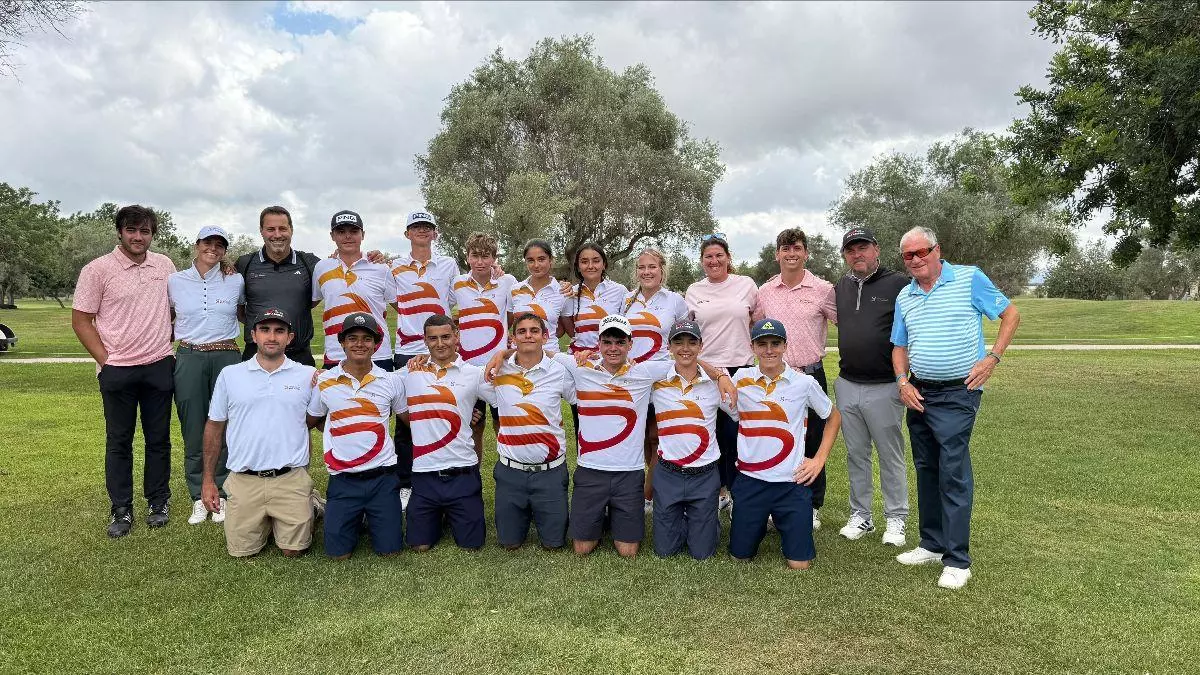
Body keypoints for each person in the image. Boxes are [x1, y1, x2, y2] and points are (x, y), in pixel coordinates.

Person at [891, 226, 1020, 590]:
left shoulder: (969, 278)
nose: (916, 260)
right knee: (926, 467)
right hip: (918, 392)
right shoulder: (905, 295)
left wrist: (993, 358)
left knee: (952, 469)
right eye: (908, 255)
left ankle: (958, 560)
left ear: (937, 250)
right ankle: (932, 543)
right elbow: (899, 346)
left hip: (958, 393)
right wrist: (902, 382)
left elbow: (1011, 314)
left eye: (922, 252)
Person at [72, 204, 178, 538]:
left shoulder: (165, 265)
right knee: (119, 441)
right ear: (120, 232)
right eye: (131, 230)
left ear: (152, 234)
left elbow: (174, 309)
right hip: (118, 369)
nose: (138, 237)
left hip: (159, 364)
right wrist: (106, 361)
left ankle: (158, 502)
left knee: (159, 439)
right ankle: (121, 508)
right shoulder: (97, 270)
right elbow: (81, 320)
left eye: (144, 231)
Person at [723, 319, 842, 570]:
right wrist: (720, 375)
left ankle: (782, 521)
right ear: (752, 347)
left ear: (785, 346)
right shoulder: (741, 379)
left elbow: (833, 417)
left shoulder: (804, 383)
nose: (769, 350)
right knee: (740, 558)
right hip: (751, 482)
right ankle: (758, 523)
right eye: (762, 344)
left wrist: (818, 460)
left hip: (791, 484)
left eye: (775, 343)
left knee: (799, 564)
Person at [202, 307, 318, 557]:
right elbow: (214, 426)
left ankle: (310, 502)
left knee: (293, 551)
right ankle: (276, 516)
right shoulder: (230, 375)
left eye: (279, 331)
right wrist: (208, 480)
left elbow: (317, 421)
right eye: (265, 330)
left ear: (290, 337)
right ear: (253, 335)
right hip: (245, 480)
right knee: (242, 552)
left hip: (290, 478)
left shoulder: (308, 375)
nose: (272, 337)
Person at [832, 226, 911, 546]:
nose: (857, 254)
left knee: (890, 455)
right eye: (851, 250)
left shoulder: (898, 283)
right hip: (847, 383)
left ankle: (896, 518)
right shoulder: (842, 286)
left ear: (876, 249)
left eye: (862, 248)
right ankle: (861, 515)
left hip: (885, 386)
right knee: (856, 454)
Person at [754, 227, 837, 530]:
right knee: (777, 439)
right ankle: (775, 501)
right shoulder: (765, 292)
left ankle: (811, 504)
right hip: (775, 379)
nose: (791, 254)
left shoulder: (823, 289)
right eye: (786, 249)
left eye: (797, 248)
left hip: (810, 375)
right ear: (777, 254)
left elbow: (847, 322)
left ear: (806, 253)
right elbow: (755, 327)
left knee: (812, 441)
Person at [307, 312, 407, 559]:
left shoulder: (391, 381)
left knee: (390, 551)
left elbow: (410, 420)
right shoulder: (325, 381)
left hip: (382, 477)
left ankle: (370, 515)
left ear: (376, 344)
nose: (359, 344)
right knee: (337, 554)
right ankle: (340, 511)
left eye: (366, 339)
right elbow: (311, 419)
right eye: (352, 338)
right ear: (342, 342)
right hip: (343, 479)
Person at [478, 312, 574, 550]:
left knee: (554, 545)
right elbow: (460, 385)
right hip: (511, 473)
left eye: (534, 331)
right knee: (509, 543)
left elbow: (583, 398)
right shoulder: (497, 371)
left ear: (545, 336)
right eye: (522, 331)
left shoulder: (560, 371)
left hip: (551, 472)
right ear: (513, 338)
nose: (528, 335)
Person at [168, 225, 244, 526]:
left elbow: (243, 312)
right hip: (189, 354)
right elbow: (167, 317)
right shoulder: (175, 280)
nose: (212, 249)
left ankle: (222, 493)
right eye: (207, 243)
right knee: (193, 426)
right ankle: (199, 496)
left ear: (224, 251)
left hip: (226, 354)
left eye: (219, 245)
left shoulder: (235, 279)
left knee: (224, 425)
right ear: (196, 245)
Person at [391, 210, 461, 508]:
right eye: (416, 227)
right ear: (407, 233)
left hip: (441, 347)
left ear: (435, 233)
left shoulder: (448, 264)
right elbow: (393, 301)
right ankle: (406, 483)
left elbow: (455, 298)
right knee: (406, 419)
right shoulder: (394, 266)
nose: (422, 231)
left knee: (440, 410)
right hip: (407, 350)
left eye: (427, 227)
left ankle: (442, 477)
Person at [400, 315, 487, 551]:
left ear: (457, 337)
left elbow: (507, 395)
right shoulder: (410, 372)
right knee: (419, 546)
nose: (440, 344)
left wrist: (503, 354)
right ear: (425, 340)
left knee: (471, 546)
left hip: (463, 472)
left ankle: (452, 512)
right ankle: (437, 513)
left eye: (446, 337)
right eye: (433, 338)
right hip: (424, 474)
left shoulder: (474, 373)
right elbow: (376, 380)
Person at [685, 233, 759, 513]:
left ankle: (739, 491)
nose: (714, 261)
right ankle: (717, 492)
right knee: (710, 433)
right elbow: (688, 332)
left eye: (719, 255)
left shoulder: (746, 285)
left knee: (737, 434)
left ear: (728, 258)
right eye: (708, 256)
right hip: (705, 370)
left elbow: (758, 322)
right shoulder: (694, 291)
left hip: (740, 368)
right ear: (702, 261)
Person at [651, 320, 727, 560]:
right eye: (679, 342)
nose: (685, 348)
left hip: (704, 475)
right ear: (669, 346)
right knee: (665, 551)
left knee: (702, 553)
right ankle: (687, 518)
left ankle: (703, 519)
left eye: (692, 342)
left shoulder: (715, 385)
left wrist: (721, 376)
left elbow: (741, 412)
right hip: (668, 474)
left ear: (701, 346)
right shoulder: (655, 381)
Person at [622, 248, 689, 511]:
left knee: (657, 436)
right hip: (632, 379)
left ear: (662, 270)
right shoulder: (627, 300)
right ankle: (647, 490)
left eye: (652, 267)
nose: (646, 272)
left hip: (662, 378)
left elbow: (683, 338)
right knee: (638, 438)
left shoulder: (675, 300)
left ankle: (648, 495)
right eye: (642, 267)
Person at [451, 232, 516, 460]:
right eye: (475, 255)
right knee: (473, 427)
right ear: (467, 257)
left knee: (503, 425)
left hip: (499, 367)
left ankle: (508, 470)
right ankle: (474, 477)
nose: (480, 262)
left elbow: (512, 316)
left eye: (486, 256)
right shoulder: (457, 283)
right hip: (468, 369)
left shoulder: (507, 281)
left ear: (494, 258)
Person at [312, 210, 397, 371]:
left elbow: (401, 307)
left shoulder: (381, 268)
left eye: (353, 231)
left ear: (363, 234)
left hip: (377, 354)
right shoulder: (321, 268)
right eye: (341, 232)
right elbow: (311, 302)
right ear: (332, 236)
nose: (347, 236)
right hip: (336, 355)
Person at [236, 206, 321, 366]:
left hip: (299, 355)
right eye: (270, 229)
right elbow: (238, 308)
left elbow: (319, 295)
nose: (277, 235)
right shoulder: (244, 263)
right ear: (261, 231)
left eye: (282, 228)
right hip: (255, 354)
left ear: (291, 230)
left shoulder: (310, 263)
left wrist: (371, 258)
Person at [560, 243, 628, 355]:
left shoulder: (620, 291)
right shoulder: (571, 293)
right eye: (584, 262)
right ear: (578, 267)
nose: (590, 266)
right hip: (578, 357)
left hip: (609, 357)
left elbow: (625, 329)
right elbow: (570, 329)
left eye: (596, 261)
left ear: (604, 264)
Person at [509, 240, 567, 354]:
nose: (536, 265)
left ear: (550, 260)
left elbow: (562, 330)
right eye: (530, 260)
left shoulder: (563, 292)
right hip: (518, 355)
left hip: (550, 356)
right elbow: (509, 323)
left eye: (541, 259)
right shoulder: (514, 290)